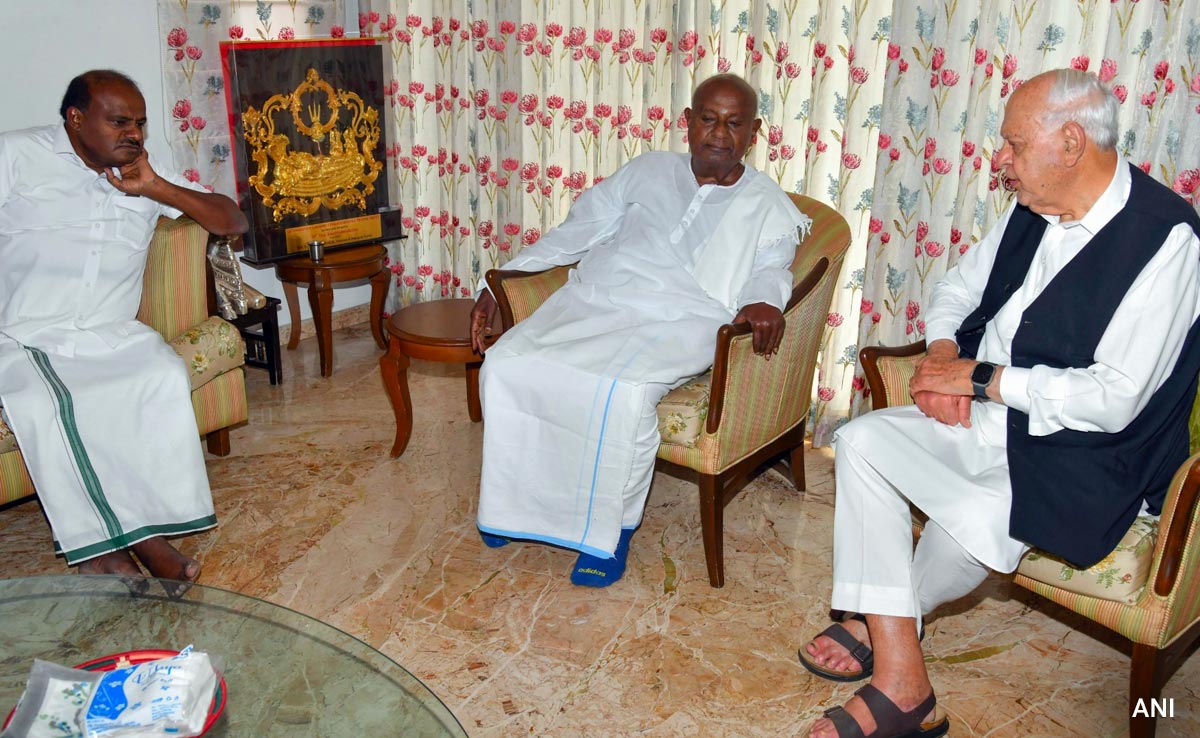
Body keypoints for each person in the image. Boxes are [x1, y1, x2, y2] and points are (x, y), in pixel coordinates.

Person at [799, 68, 1200, 738]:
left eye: (1013, 144)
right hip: (990, 422)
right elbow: (957, 289)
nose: (999, 160)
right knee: (861, 440)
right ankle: (906, 676)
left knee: (969, 518)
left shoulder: (1168, 241)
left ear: (1070, 143)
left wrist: (982, 380)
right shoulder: (1031, 207)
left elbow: (1115, 401)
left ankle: (885, 640)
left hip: (1090, 458)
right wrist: (944, 356)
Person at [469, 74, 812, 587]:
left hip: (684, 317)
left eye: (734, 123)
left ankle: (608, 534)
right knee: (506, 365)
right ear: (687, 122)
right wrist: (494, 286)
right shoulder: (647, 170)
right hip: (598, 297)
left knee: (622, 393)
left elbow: (772, 266)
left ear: (754, 132)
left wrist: (764, 301)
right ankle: (511, 507)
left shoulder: (768, 204)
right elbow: (577, 231)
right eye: (708, 119)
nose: (719, 133)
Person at [0, 70, 248, 588]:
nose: (133, 134)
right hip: (27, 334)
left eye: (139, 123)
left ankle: (109, 546)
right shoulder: (17, 156)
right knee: (53, 405)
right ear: (75, 118)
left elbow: (231, 222)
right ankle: (139, 546)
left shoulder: (146, 171)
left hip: (112, 334)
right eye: (118, 122)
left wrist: (155, 187)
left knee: (159, 373)